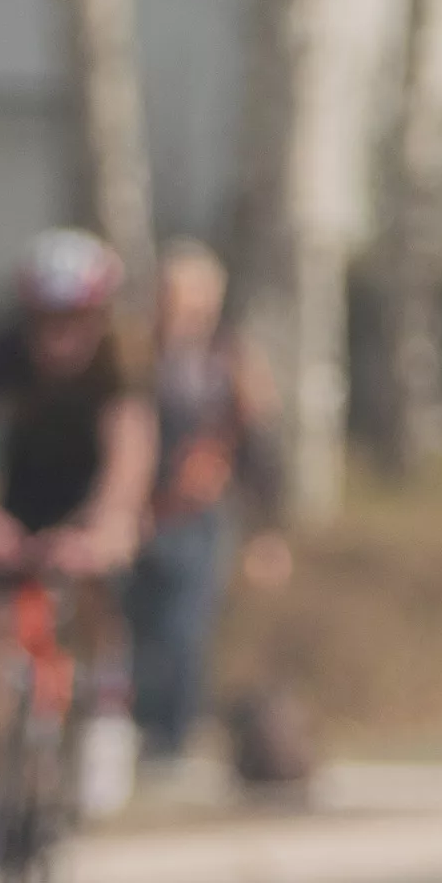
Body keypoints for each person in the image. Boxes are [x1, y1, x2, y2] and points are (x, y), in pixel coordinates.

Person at [0, 227, 158, 883]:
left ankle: (105, 706)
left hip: (89, 500)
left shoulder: (121, 358)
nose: (60, 337)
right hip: (18, 502)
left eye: (75, 321)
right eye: (47, 320)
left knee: (102, 574)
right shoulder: (1, 353)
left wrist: (102, 529)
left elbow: (129, 459)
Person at [124, 239, 289, 773]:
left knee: (183, 628)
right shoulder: (136, 355)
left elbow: (260, 447)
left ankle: (172, 739)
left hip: (196, 515)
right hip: (132, 513)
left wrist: (267, 533)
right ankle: (129, 730)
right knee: (131, 628)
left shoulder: (231, 361)